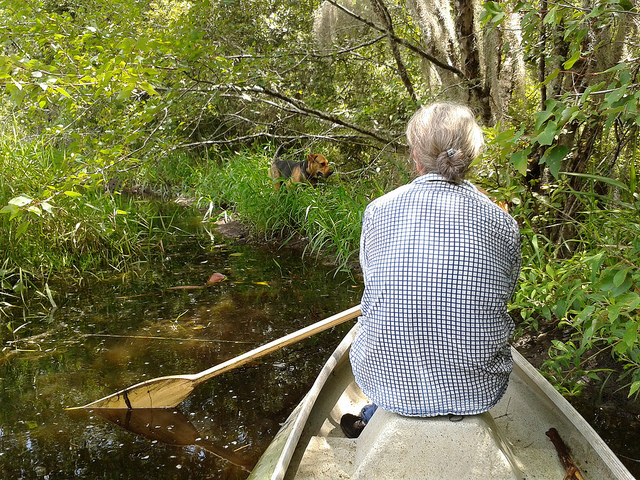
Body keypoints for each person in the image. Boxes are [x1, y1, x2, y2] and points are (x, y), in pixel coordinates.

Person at [340, 102, 522, 439]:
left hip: (387, 383)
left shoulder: (378, 211)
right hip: (476, 390)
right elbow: (504, 296)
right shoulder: (503, 223)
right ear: (471, 156)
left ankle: (370, 411)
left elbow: (372, 282)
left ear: (415, 155)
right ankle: (377, 409)